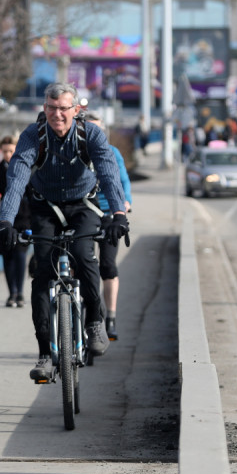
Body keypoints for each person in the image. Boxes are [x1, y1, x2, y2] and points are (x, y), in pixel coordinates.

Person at [0, 82, 129, 382]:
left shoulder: (90, 134)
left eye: (64, 109)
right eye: (52, 108)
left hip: (83, 206)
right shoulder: (33, 136)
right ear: (45, 108)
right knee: (43, 272)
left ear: (76, 110)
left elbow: (108, 173)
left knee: (84, 256)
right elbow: (16, 178)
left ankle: (95, 322)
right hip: (45, 207)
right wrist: (6, 219)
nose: (57, 114)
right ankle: (44, 353)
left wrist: (118, 212)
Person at [84, 111, 132, 341]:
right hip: (83, 213)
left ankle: (110, 316)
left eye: (98, 130)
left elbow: (122, 180)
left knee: (107, 265)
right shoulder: (77, 152)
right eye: (88, 130)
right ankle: (78, 309)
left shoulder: (111, 153)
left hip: (107, 214)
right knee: (79, 262)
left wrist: (125, 203)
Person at [0, 135, 30, 307]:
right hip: (3, 220)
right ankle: (12, 293)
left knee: (20, 256)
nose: (8, 154)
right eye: (5, 151)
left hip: (23, 219)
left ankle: (20, 293)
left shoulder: (24, 169)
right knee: (7, 257)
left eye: (11, 151)